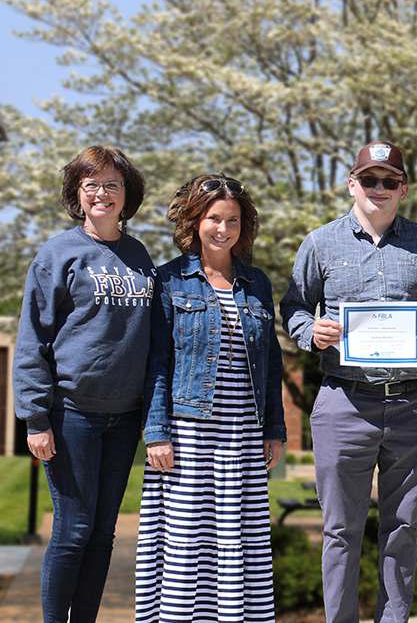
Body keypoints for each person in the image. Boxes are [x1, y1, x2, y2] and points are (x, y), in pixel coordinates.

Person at [280, 141, 417, 623]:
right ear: (351, 184)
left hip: (415, 406)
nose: (378, 189)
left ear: (403, 189)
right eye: (369, 179)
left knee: (403, 528)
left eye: (389, 181)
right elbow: (294, 307)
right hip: (345, 402)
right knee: (340, 530)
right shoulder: (320, 243)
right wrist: (308, 331)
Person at [135, 174, 286, 623]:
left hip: (242, 435)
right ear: (194, 221)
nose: (223, 228)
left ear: (245, 225)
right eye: (213, 218)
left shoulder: (257, 283)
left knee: (240, 546)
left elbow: (271, 364)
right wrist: (157, 433)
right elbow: (157, 362)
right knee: (187, 548)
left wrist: (274, 430)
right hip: (188, 435)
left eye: (233, 220)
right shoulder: (168, 280)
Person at [13, 145, 155, 623]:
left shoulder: (139, 256)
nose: (102, 193)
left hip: (125, 416)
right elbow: (33, 338)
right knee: (72, 530)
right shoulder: (59, 253)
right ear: (78, 193)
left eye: (112, 184)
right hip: (72, 414)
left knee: (102, 534)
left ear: (126, 194)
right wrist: (36, 419)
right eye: (91, 184)